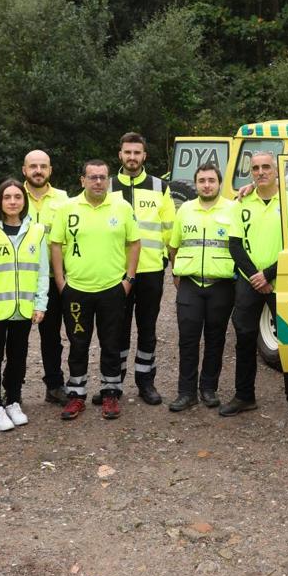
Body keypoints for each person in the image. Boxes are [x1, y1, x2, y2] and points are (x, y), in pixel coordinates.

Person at [223, 151, 288, 425]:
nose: (261, 172)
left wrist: (269, 275)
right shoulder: (241, 202)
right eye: (255, 168)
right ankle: (244, 395)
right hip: (249, 282)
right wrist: (255, 277)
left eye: (266, 167)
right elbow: (234, 245)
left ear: (276, 171)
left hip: (282, 280)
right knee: (245, 338)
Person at [49, 159, 140, 421]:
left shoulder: (121, 207)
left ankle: (110, 392)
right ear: (82, 180)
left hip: (112, 288)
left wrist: (128, 280)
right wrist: (60, 281)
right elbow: (56, 244)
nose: (98, 182)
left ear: (108, 180)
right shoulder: (68, 208)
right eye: (93, 177)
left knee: (111, 342)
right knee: (78, 344)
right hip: (76, 290)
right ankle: (76, 394)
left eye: (102, 177)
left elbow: (134, 243)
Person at [0, 179, 49, 432]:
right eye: (7, 197)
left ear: (24, 202)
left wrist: (41, 304)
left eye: (17, 197)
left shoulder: (36, 231)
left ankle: (13, 400)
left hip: (23, 309)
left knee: (18, 358)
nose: (13, 201)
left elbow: (42, 272)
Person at [106, 132, 175, 406]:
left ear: (144, 155)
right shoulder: (106, 186)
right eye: (127, 152)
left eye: (137, 152)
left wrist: (173, 264)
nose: (132, 157)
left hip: (150, 271)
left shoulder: (160, 186)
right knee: (116, 330)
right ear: (120, 155)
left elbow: (170, 230)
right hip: (115, 272)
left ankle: (146, 382)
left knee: (147, 329)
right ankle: (114, 382)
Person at [166, 164, 236, 412]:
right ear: (195, 184)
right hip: (190, 283)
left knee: (215, 340)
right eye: (202, 181)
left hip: (222, 284)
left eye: (211, 180)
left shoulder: (233, 209)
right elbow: (174, 245)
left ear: (219, 183)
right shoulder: (185, 209)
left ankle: (208, 389)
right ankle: (186, 393)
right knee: (187, 340)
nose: (207, 185)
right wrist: (176, 272)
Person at [22, 149, 70, 405]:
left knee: (52, 336)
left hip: (56, 278)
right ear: (24, 170)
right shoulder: (13, 195)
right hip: (21, 280)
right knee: (16, 337)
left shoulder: (64, 199)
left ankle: (55, 385)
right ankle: (13, 389)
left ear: (50, 170)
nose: (38, 171)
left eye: (43, 166)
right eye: (33, 166)